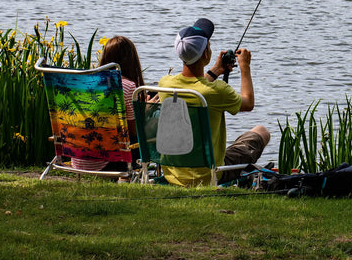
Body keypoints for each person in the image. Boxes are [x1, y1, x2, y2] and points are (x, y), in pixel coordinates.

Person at [158, 18, 270, 187]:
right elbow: (248, 103)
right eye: (209, 45)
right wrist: (245, 67)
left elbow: (197, 87)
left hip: (173, 173)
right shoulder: (217, 90)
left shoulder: (165, 84)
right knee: (261, 131)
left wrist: (216, 70)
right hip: (208, 174)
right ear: (205, 54)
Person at [71, 36, 146, 171]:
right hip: (107, 162)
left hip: (79, 159)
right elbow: (134, 131)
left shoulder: (86, 83)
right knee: (143, 133)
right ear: (132, 60)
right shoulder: (128, 86)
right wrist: (145, 111)